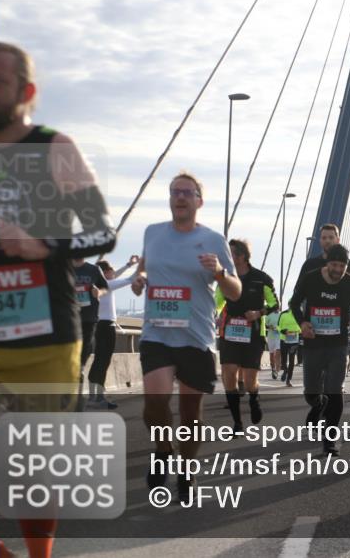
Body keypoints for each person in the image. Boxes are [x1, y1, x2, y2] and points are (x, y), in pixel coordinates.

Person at [0, 42, 116, 558]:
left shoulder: (54, 148)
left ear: (25, 91)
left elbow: (101, 233)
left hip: (45, 338)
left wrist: (43, 245)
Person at [132, 172, 240, 504]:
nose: (180, 197)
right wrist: (139, 278)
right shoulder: (152, 233)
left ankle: (186, 469)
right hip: (157, 334)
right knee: (154, 401)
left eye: (187, 192)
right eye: (175, 192)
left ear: (199, 201)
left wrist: (219, 271)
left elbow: (235, 292)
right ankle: (164, 449)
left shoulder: (213, 240)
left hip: (196, 337)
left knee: (191, 414)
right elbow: (144, 268)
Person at [289, 244, 350, 456]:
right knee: (311, 393)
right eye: (334, 265)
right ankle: (318, 404)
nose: (337, 270)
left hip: (338, 344)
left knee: (335, 390)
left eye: (342, 266)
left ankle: (329, 440)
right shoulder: (310, 278)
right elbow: (294, 303)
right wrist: (302, 323)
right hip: (313, 343)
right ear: (327, 263)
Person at [215, 239, 278, 432]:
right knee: (229, 375)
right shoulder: (225, 278)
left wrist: (259, 313)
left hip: (254, 334)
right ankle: (237, 423)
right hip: (229, 333)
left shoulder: (262, 279)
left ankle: (254, 399)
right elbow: (217, 302)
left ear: (241, 256)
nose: (226, 257)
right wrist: (214, 314)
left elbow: (275, 304)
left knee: (250, 381)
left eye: (230, 253)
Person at [88, 255, 140, 409]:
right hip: (107, 326)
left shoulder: (98, 285)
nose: (114, 272)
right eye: (111, 270)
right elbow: (130, 279)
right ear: (105, 273)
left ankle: (94, 396)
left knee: (99, 361)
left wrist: (128, 264)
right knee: (103, 362)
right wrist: (142, 265)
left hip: (98, 325)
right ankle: (98, 397)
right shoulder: (107, 285)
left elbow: (115, 276)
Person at [73, 257, 108, 401]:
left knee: (81, 359)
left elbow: (105, 288)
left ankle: (77, 395)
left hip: (88, 320)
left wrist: (99, 293)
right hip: (68, 320)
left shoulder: (93, 270)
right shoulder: (62, 268)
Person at [278, 307, 301, 386]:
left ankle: (289, 379)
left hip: (294, 341)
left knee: (291, 360)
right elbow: (278, 326)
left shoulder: (299, 314)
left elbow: (301, 327)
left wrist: (296, 331)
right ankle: (285, 371)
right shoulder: (283, 314)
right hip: (284, 340)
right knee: (284, 360)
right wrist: (283, 331)